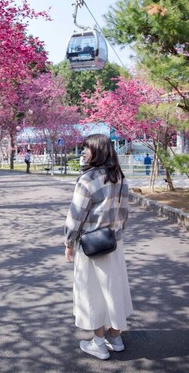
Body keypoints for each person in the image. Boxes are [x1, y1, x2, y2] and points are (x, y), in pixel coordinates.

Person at [64, 134, 133, 361]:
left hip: (91, 245)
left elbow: (76, 216)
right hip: (114, 243)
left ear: (99, 151)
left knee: (92, 293)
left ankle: (98, 343)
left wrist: (68, 242)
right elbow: (124, 214)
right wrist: (117, 232)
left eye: (87, 149)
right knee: (114, 290)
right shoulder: (119, 177)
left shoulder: (88, 179)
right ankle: (116, 337)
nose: (83, 153)